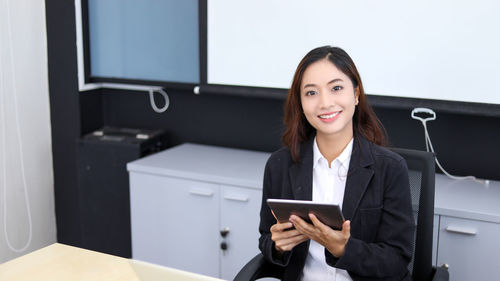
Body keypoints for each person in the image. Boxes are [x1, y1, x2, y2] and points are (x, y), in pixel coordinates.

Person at [258, 46, 415, 281]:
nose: (325, 103)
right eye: (311, 93)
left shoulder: (390, 169)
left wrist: (343, 249)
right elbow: (266, 239)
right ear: (300, 102)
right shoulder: (279, 165)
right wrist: (278, 246)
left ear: (356, 94)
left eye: (336, 88)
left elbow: (396, 261)